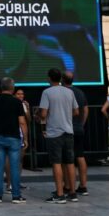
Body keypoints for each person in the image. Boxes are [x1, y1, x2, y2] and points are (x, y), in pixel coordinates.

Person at [38, 67, 79, 203]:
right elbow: (76, 112)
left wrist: (39, 116)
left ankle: (60, 194)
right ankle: (73, 193)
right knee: (70, 163)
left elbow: (43, 114)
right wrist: (65, 116)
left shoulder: (47, 92)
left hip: (54, 132)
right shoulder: (69, 92)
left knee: (56, 163)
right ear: (61, 78)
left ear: (49, 78)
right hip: (68, 131)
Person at [0, 77, 27, 204]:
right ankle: (16, 196)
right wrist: (25, 138)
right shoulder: (17, 102)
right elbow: (22, 122)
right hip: (14, 137)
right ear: (12, 88)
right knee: (14, 166)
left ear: (1, 87)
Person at [62, 71, 89, 196]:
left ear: (63, 80)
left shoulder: (62, 92)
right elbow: (85, 109)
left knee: (67, 159)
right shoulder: (79, 92)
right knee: (80, 155)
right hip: (78, 128)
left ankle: (67, 185)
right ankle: (83, 186)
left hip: (66, 129)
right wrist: (81, 123)